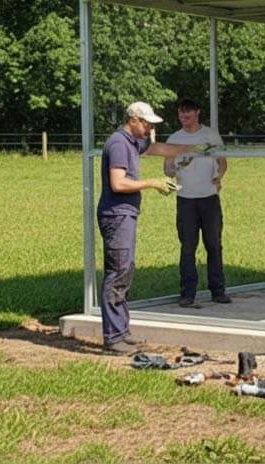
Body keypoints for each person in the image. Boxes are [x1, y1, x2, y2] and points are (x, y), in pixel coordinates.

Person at [97, 101, 207, 354]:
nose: (149, 129)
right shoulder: (118, 144)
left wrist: (196, 148)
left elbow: (160, 148)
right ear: (133, 120)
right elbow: (118, 183)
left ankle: (122, 331)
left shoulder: (133, 142)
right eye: (146, 124)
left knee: (126, 270)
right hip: (116, 215)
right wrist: (153, 182)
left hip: (125, 214)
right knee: (117, 272)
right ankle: (113, 337)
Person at [164, 98, 230, 307]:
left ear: (198, 113)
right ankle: (187, 293)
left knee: (214, 245)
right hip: (186, 199)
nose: (185, 118)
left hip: (209, 198)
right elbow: (167, 168)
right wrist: (171, 173)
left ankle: (218, 290)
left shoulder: (210, 135)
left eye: (188, 115)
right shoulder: (174, 138)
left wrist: (218, 178)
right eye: (181, 115)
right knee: (188, 247)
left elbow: (222, 162)